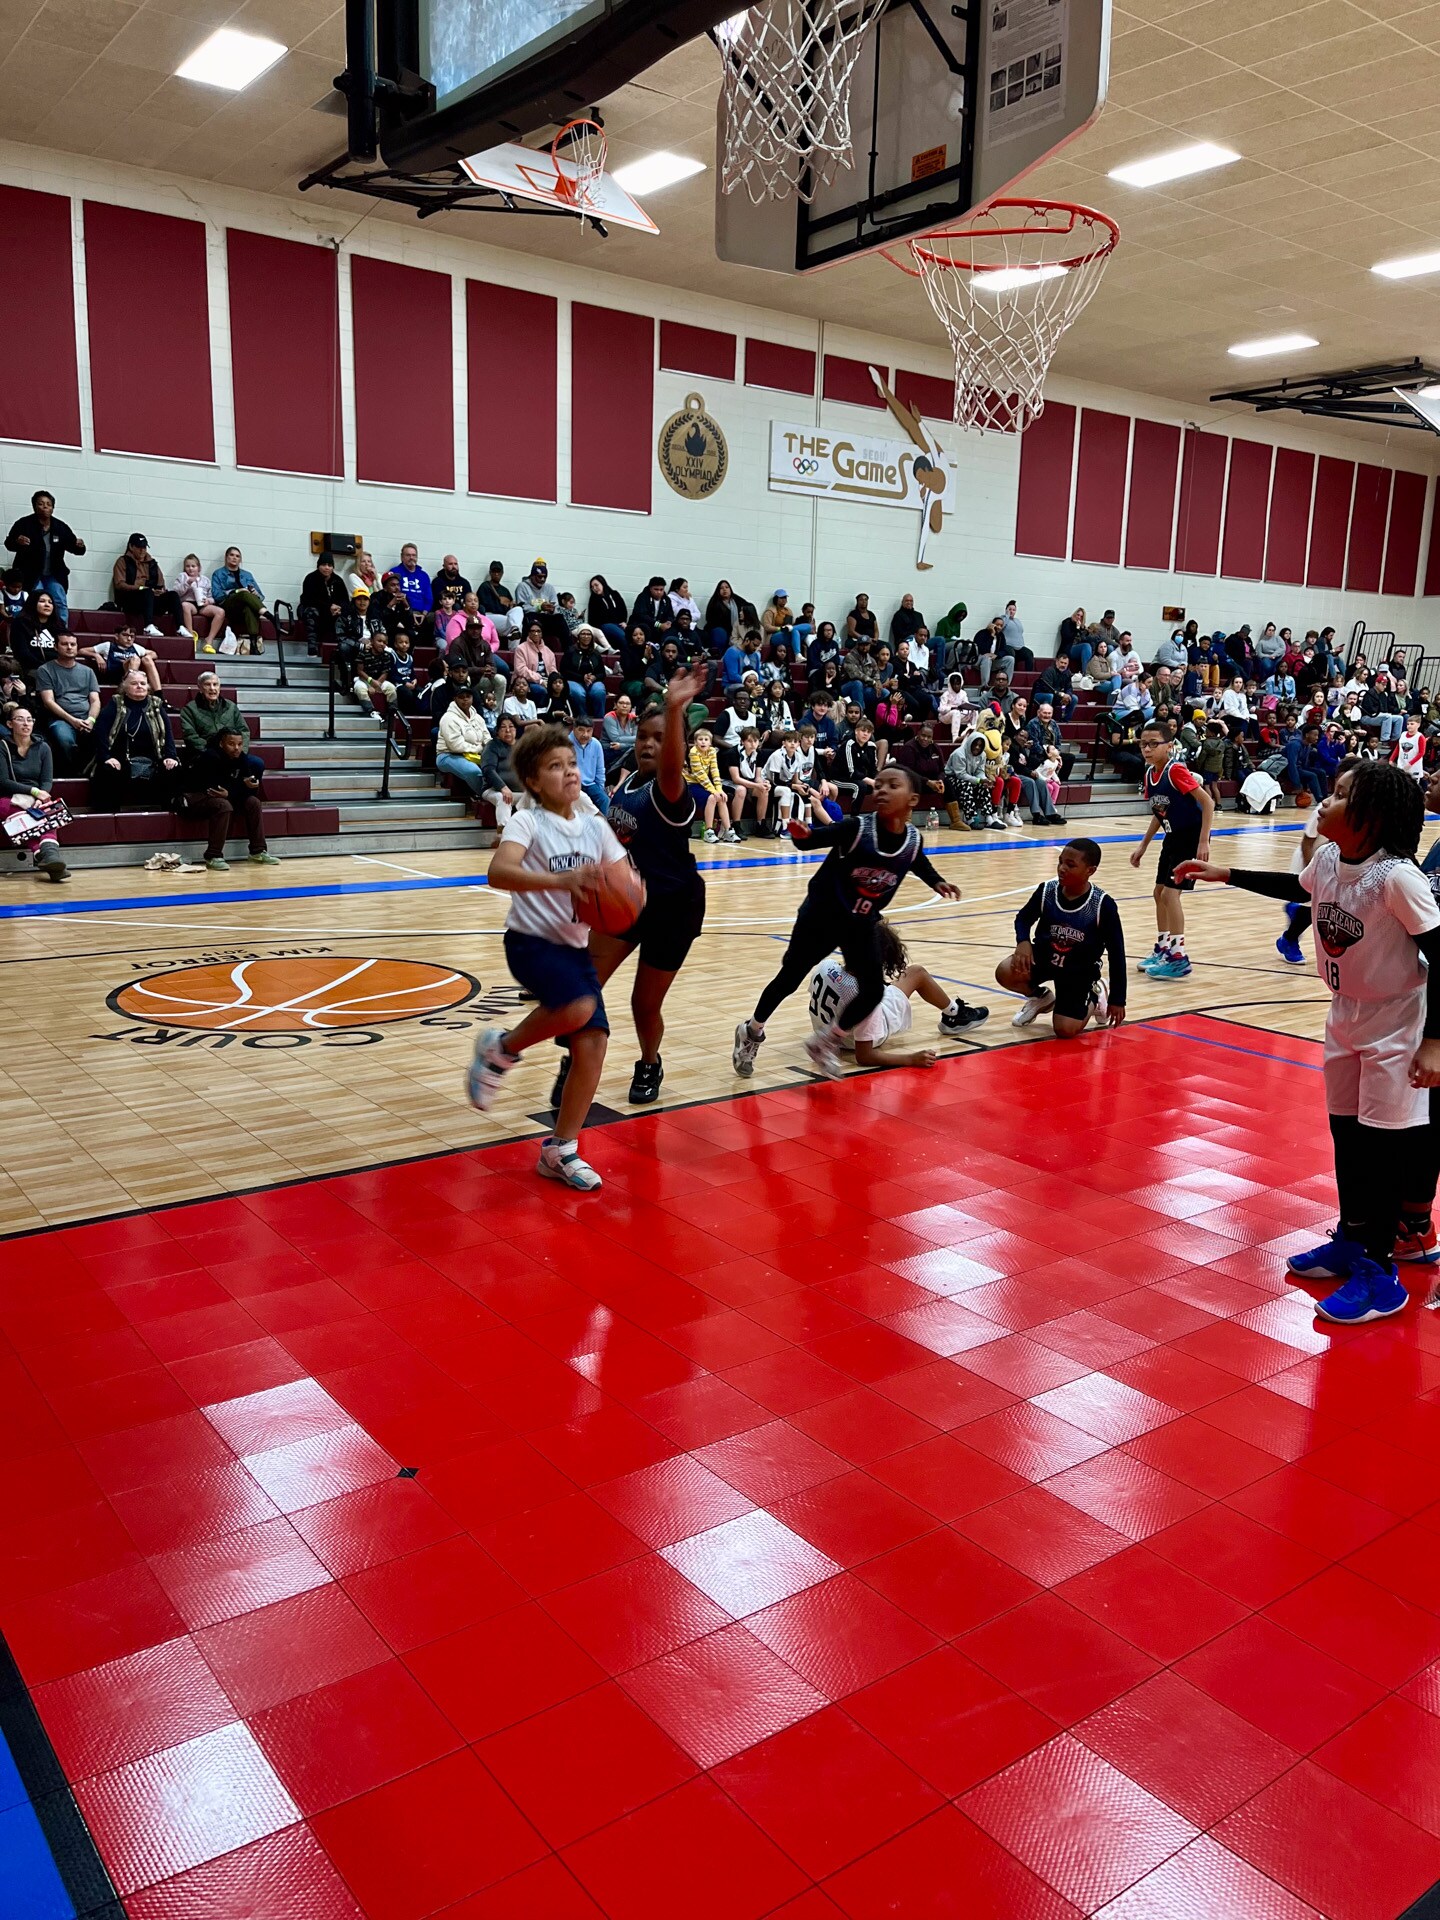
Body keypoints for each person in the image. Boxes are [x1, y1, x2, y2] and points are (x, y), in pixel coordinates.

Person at [1180, 762, 1440, 1323]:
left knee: (1380, 1151)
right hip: (1345, 1016)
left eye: (1341, 795)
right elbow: (1292, 888)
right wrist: (1223, 872)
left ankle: (1380, 1274)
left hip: (1399, 1024)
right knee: (1345, 1136)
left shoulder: (1398, 878)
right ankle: (1352, 1240)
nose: (1325, 799)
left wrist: (1436, 1042)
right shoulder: (1327, 859)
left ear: (1371, 817)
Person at [466, 723, 633, 1192]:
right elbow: (499, 872)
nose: (569, 773)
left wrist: (632, 893)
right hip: (530, 943)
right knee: (579, 1008)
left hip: (574, 947)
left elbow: (623, 878)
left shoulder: (595, 825)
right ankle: (502, 1049)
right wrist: (561, 882)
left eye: (572, 764)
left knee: (592, 1046)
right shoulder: (528, 821)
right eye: (555, 767)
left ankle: (560, 1149)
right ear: (534, 782)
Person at [733, 764, 962, 1080]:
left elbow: (918, 863)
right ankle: (751, 1030)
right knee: (789, 978)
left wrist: (937, 882)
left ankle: (826, 1041)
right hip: (822, 915)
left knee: (872, 991)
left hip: (860, 919)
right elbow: (812, 839)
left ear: (912, 799)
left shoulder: (913, 839)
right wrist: (802, 834)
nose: (881, 789)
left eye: (891, 785)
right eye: (878, 784)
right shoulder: (857, 828)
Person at [588, 668, 710, 1105]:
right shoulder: (628, 783)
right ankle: (577, 1061)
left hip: (672, 910)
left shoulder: (674, 792)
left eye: (659, 738)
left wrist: (676, 708)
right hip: (627, 900)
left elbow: (673, 768)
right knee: (582, 986)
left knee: (644, 1003)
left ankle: (649, 1062)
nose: (647, 744)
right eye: (643, 736)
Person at [808, 916, 988, 1069]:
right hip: (859, 1040)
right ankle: (954, 1015)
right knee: (917, 973)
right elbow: (864, 1057)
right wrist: (910, 1059)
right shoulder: (866, 1002)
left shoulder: (825, 966)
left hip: (825, 1033)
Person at [998, 840, 1127, 1037]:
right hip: (1044, 959)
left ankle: (1096, 994)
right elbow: (1023, 918)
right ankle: (1041, 998)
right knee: (1005, 972)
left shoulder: (1102, 905)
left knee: (1065, 1030)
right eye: (1060, 862)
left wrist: (1118, 999)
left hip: (1078, 971)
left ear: (1090, 870)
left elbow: (1117, 953)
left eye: (1070, 865)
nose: (1062, 868)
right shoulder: (1047, 891)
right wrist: (1022, 941)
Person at [1130, 721, 1214, 980]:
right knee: (1158, 893)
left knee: (1170, 894)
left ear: (1169, 745)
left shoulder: (1175, 770)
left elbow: (1207, 802)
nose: (1147, 748)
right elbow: (1160, 812)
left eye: (1154, 743)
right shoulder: (1149, 774)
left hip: (1189, 837)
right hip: (1172, 837)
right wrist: (1143, 844)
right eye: (1143, 744)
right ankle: (1163, 948)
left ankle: (1179, 957)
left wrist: (1203, 841)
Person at [91, 667, 181, 810]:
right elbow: (101, 731)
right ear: (124, 687)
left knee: (173, 768)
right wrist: (106, 757)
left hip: (153, 758)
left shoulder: (156, 704)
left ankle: (168, 814)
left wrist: (171, 756)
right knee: (108, 771)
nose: (139, 686)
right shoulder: (116, 703)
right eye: (134, 683)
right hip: (120, 758)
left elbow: (168, 733)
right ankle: (111, 817)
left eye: (143, 683)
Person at [188, 728, 278, 871]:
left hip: (225, 796)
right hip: (197, 798)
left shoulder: (241, 758)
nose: (236, 748)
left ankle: (258, 851)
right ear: (221, 744)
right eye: (231, 744)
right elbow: (216, 789)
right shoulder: (210, 757)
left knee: (253, 802)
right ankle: (213, 856)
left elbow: (244, 790)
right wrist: (239, 787)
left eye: (240, 744)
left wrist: (250, 785)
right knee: (224, 805)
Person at [0, 704, 67, 880]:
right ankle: (50, 858)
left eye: (29, 719)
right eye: (20, 719)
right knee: (18, 813)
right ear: (9, 724)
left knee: (46, 810)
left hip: (36, 797)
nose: (26, 723)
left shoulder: (43, 747)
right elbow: (3, 781)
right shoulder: (2, 746)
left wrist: (40, 795)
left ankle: (46, 857)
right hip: (8, 797)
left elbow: (46, 780)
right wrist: (34, 792)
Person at [5, 490, 85, 623]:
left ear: (53, 507)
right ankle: (33, 632)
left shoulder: (60, 527)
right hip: (30, 574)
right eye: (41, 504)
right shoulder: (24, 524)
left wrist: (80, 546)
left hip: (55, 574)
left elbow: (76, 549)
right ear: (34, 506)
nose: (45, 507)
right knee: (34, 603)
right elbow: (9, 544)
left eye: (48, 504)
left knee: (59, 602)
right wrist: (17, 541)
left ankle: (61, 634)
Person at [34, 632, 99, 770]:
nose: (69, 647)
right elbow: (48, 701)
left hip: (87, 718)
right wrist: (72, 720)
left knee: (106, 736)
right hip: (61, 719)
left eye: (73, 644)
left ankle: (90, 771)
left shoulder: (88, 671)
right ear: (55, 647)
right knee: (65, 740)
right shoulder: (45, 670)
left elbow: (95, 700)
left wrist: (91, 720)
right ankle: (73, 772)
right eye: (64, 644)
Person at [111, 533, 186, 638]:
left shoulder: (152, 563)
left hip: (151, 598)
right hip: (131, 600)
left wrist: (161, 591)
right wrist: (140, 588)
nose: (142, 550)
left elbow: (161, 583)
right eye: (139, 547)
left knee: (173, 595)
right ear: (131, 547)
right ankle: (148, 626)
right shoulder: (122, 561)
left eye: (144, 547)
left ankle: (180, 627)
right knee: (147, 592)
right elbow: (120, 584)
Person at [435, 683, 491, 801]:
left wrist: (490, 750)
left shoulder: (478, 718)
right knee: (473, 771)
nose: (465, 699)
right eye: (461, 697)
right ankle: (488, 797)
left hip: (474, 755)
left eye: (468, 696)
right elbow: (456, 746)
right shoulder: (448, 718)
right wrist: (480, 749)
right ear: (455, 699)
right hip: (448, 755)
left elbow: (487, 738)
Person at [180, 671, 249, 763]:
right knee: (214, 760)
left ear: (219, 688)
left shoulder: (231, 707)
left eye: (215, 684)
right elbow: (190, 736)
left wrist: (240, 750)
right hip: (205, 753)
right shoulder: (189, 709)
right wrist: (213, 750)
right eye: (207, 685)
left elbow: (244, 730)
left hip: (232, 752)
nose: (212, 688)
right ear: (200, 688)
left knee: (257, 764)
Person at [686, 724, 739, 842]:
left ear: (710, 743)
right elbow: (701, 775)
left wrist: (719, 789)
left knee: (722, 797)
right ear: (695, 742)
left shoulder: (712, 752)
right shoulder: (693, 753)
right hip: (690, 784)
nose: (703, 742)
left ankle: (728, 830)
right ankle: (708, 831)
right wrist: (714, 791)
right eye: (700, 739)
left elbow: (715, 772)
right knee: (712, 797)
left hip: (704, 783)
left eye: (706, 740)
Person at [211, 548, 267, 653]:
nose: (234, 558)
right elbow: (217, 595)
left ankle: (253, 644)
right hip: (228, 605)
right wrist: (236, 591)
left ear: (240, 560)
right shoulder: (218, 574)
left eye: (237, 556)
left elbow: (261, 596)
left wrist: (255, 594)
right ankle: (268, 615)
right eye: (232, 555)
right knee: (243, 594)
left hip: (244, 607)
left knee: (249, 607)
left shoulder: (247, 575)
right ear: (226, 557)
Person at [300, 553, 352, 656]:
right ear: (318, 566)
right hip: (313, 609)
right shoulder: (310, 578)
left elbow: (345, 600)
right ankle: (312, 647)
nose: (327, 568)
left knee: (347, 615)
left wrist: (339, 608)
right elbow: (308, 599)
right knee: (312, 612)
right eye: (324, 565)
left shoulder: (338, 581)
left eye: (329, 565)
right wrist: (328, 607)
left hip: (333, 612)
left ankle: (342, 648)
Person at [9, 589, 67, 683]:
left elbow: (68, 647)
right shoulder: (20, 623)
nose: (47, 605)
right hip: (33, 668)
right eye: (42, 601)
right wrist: (46, 668)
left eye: (50, 602)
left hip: (58, 668)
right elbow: (22, 654)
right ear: (33, 603)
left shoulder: (58, 625)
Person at [173, 554, 226, 652]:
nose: (191, 569)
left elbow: (212, 596)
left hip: (202, 604)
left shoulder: (205, 580)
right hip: (189, 603)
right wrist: (187, 583)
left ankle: (209, 640)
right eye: (188, 566)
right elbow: (176, 592)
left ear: (199, 568)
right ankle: (190, 635)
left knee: (220, 612)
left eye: (193, 566)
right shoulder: (182, 577)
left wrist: (208, 601)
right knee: (184, 606)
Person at [481, 714, 520, 828]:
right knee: (503, 799)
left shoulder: (522, 746)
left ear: (516, 730)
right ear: (497, 731)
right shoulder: (492, 746)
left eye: (511, 726)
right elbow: (488, 770)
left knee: (535, 799)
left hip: (517, 792)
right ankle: (503, 833)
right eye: (503, 727)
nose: (508, 730)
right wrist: (503, 787)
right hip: (493, 789)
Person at [564, 626, 611, 718]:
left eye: (588, 634)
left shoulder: (596, 653)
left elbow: (602, 673)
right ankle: (583, 719)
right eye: (583, 634)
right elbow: (565, 671)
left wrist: (594, 677)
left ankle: (599, 720)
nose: (586, 636)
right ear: (578, 636)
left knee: (599, 691)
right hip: (574, 680)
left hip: (593, 681)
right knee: (578, 693)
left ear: (592, 637)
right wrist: (582, 677)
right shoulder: (570, 651)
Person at [353, 630, 397, 722]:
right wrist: (371, 683)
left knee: (391, 688)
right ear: (372, 641)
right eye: (379, 641)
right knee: (359, 688)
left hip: (379, 680)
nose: (382, 644)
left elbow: (385, 672)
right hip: (364, 679)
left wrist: (377, 684)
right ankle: (371, 711)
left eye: (384, 642)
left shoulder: (386, 655)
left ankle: (392, 711)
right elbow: (360, 671)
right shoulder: (363, 653)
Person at [570, 714, 609, 815]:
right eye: (581, 730)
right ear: (574, 729)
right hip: (572, 784)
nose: (585, 734)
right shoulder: (566, 743)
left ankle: (609, 828)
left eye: (589, 731)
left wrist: (600, 790)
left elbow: (600, 770)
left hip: (590, 784)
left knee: (605, 801)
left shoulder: (596, 744)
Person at [587, 574, 629, 648]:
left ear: (602, 583)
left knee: (632, 632)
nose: (595, 588)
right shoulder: (594, 599)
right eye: (592, 587)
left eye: (596, 585)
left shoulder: (614, 594)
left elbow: (623, 609)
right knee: (622, 635)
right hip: (605, 625)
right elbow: (592, 618)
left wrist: (624, 621)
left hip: (619, 624)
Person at [388, 544, 431, 614]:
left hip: (422, 613)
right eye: (408, 555)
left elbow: (429, 599)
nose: (411, 557)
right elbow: (391, 595)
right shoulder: (394, 572)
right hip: (402, 611)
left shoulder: (424, 575)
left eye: (414, 555)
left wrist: (424, 613)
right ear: (402, 557)